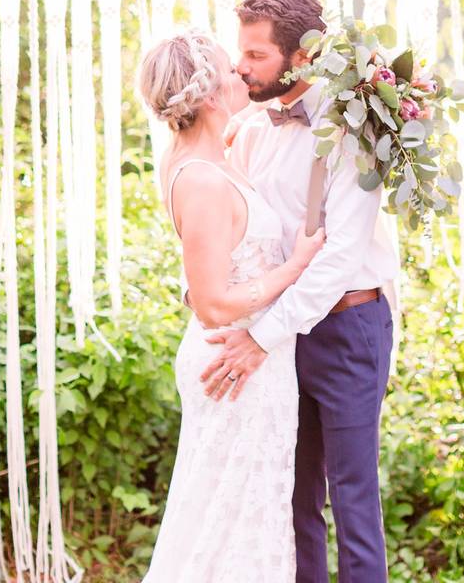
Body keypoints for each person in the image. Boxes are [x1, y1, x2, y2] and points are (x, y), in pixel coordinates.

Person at [201, 0, 400, 583]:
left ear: (303, 56)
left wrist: (261, 337)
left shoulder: (354, 133)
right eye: (243, 51)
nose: (241, 66)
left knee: (353, 499)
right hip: (279, 333)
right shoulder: (252, 130)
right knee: (291, 500)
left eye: (257, 54)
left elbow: (338, 257)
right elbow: (237, 236)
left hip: (347, 329)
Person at [136, 29, 326, 582]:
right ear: (209, 92)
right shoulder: (201, 179)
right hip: (234, 363)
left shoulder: (207, 154)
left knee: (240, 519)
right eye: (229, 66)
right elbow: (214, 304)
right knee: (228, 525)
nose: (240, 71)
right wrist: (294, 267)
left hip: (250, 362)